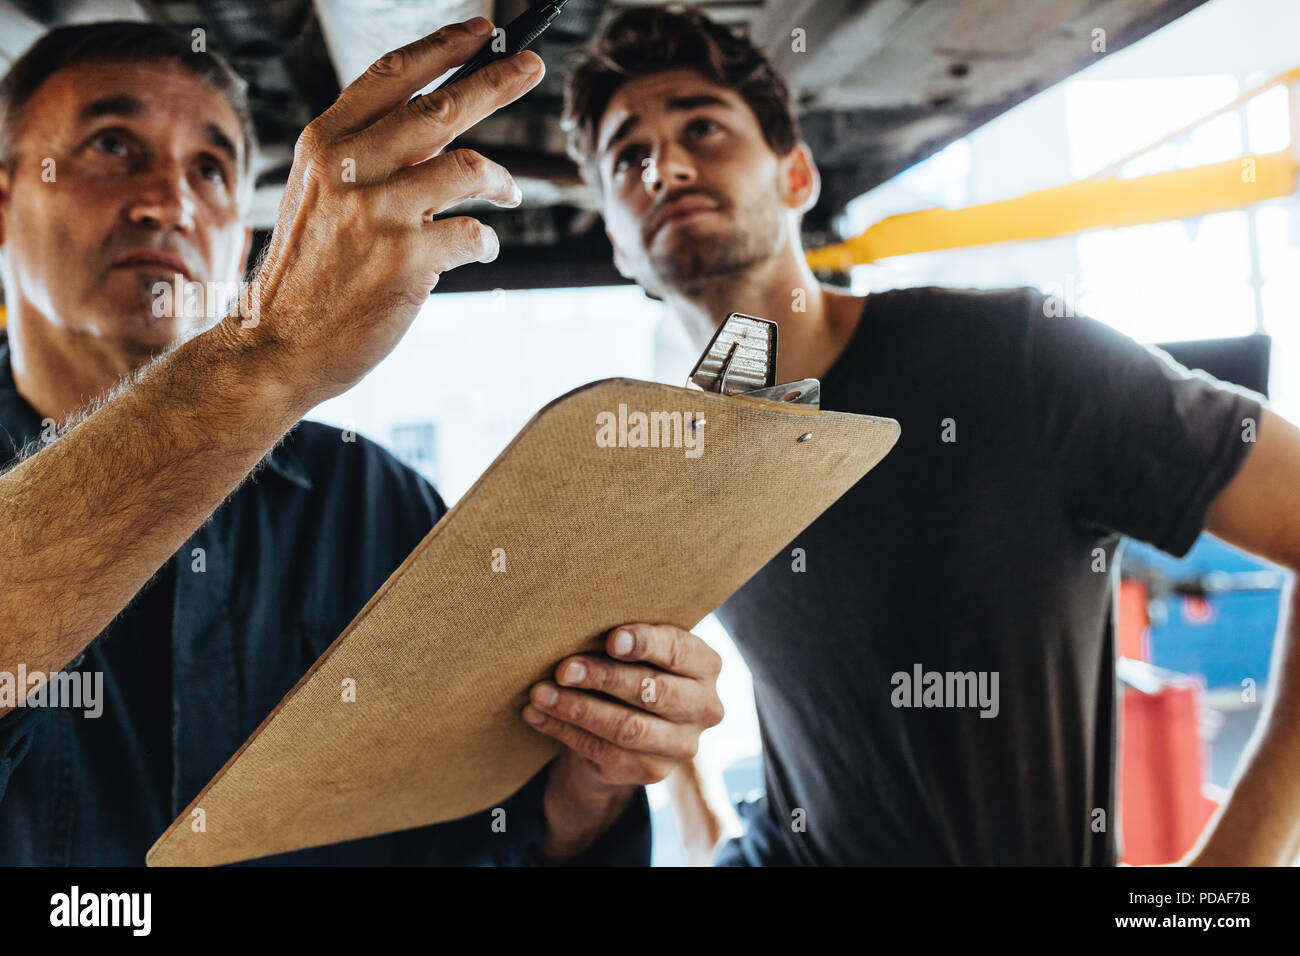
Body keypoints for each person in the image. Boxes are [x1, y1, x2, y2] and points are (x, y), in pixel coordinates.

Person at [561, 5, 1300, 865]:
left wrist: (1221, 880)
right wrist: (697, 817)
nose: (669, 166)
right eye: (629, 156)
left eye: (703, 127)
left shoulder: (1019, 357)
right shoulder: (679, 462)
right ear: (616, 241)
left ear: (797, 176)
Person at [0, 18, 724, 865]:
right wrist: (267, 353)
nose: (170, 201)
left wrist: (590, 785)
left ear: (242, 232)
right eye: (112, 145)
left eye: (211, 167)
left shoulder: (377, 505)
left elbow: (487, 842)